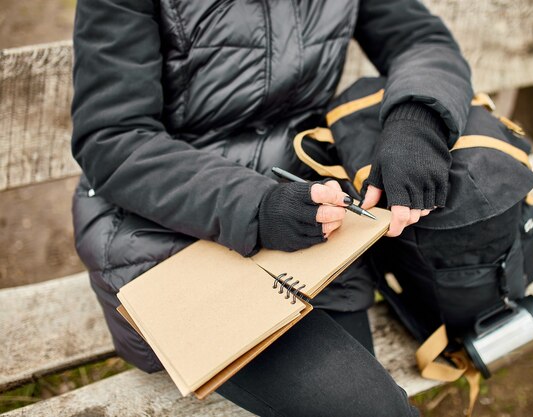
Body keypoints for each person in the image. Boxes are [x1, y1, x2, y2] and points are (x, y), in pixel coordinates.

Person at [71, 0, 472, 415]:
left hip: (316, 217)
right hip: (166, 226)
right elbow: (113, 138)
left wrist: (416, 120)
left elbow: (419, 38)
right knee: (370, 409)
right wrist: (256, 206)